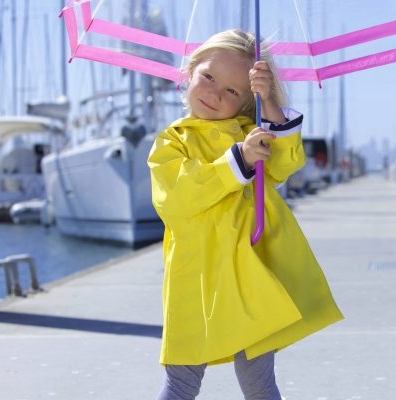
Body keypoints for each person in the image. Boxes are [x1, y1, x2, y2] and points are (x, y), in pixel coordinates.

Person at [147, 29, 344, 400]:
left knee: (258, 379)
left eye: (233, 91)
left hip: (250, 267)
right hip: (199, 272)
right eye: (208, 77)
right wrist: (236, 160)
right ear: (190, 71)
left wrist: (267, 102)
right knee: (182, 378)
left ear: (243, 102)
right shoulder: (172, 141)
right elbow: (177, 196)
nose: (215, 94)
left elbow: (283, 166)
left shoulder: (250, 130)